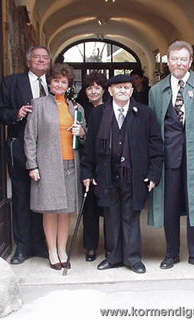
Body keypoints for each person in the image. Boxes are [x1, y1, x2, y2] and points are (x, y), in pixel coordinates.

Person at [148, 40, 194, 271]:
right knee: (170, 206)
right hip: (169, 158)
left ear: (190, 61)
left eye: (183, 59)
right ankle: (171, 254)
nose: (179, 63)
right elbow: (153, 129)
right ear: (167, 62)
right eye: (174, 59)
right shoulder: (156, 91)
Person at [81, 74, 163, 274]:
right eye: (118, 88)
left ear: (132, 90)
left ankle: (133, 258)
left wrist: (153, 174)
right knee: (111, 217)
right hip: (106, 174)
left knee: (131, 217)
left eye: (127, 87)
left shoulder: (144, 113)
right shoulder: (99, 114)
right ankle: (113, 257)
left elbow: (156, 146)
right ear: (110, 91)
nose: (123, 91)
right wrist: (87, 172)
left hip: (135, 175)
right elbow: (90, 146)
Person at [24, 63, 86, 270]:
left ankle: (63, 249)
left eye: (64, 81)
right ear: (49, 83)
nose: (59, 84)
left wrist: (82, 133)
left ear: (68, 84)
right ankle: (51, 251)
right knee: (50, 210)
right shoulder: (38, 104)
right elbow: (30, 137)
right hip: (48, 164)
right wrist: (32, 165)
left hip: (71, 163)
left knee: (65, 210)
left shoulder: (76, 108)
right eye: (56, 80)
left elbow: (85, 135)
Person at [0, 45, 50, 264]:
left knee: (45, 199)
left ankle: (42, 245)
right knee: (22, 197)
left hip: (48, 151)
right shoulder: (11, 83)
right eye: (36, 57)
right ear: (28, 61)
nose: (41, 60)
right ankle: (23, 247)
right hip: (20, 149)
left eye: (45, 58)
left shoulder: (54, 84)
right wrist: (16, 113)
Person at [80, 71, 107, 262]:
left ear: (104, 90)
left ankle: (110, 244)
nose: (93, 91)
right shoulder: (81, 110)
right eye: (89, 88)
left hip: (106, 164)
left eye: (97, 87)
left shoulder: (110, 108)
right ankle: (90, 246)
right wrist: (82, 134)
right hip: (88, 162)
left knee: (108, 208)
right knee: (89, 208)